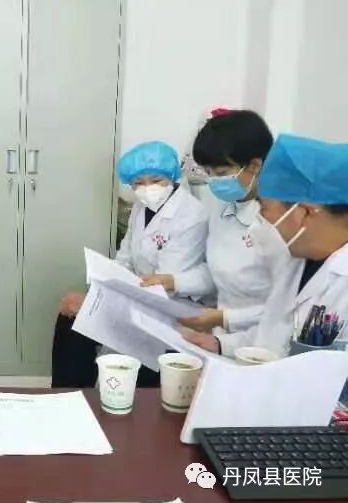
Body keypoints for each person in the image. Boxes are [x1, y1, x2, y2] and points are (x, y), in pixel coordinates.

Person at [53, 141, 210, 388]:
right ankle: (68, 397)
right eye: (138, 183)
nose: (147, 188)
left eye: (156, 180)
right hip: (140, 295)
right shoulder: (141, 207)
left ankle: (80, 396)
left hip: (171, 309)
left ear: (172, 176)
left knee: (82, 316)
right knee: (70, 316)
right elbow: (124, 258)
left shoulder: (191, 215)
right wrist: (98, 293)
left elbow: (164, 286)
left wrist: (103, 305)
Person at [183, 133, 348, 357]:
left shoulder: (341, 281)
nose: (257, 221)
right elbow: (271, 335)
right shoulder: (297, 261)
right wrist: (219, 344)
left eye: (264, 208)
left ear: (304, 213)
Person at [174, 110, 275, 336]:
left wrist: (225, 318)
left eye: (221, 172)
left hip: (264, 338)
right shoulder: (222, 205)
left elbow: (290, 306)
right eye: (208, 173)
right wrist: (174, 282)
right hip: (221, 336)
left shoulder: (280, 221)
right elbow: (217, 270)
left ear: (255, 165)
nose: (213, 181)